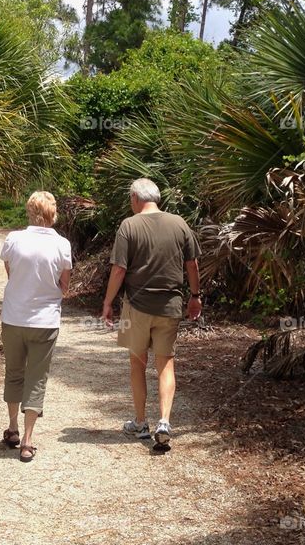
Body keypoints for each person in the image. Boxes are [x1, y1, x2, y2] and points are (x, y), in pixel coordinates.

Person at [101, 178, 201, 446]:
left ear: (135, 198)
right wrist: (195, 296)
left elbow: (119, 269)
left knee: (138, 363)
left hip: (136, 307)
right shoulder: (179, 223)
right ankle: (165, 421)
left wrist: (108, 302)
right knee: (165, 363)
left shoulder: (129, 226)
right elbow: (192, 264)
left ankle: (141, 422)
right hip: (170, 306)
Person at [0, 191, 72, 462]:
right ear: (53, 213)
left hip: (13, 317)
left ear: (29, 212)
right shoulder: (62, 245)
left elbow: (11, 274)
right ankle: (28, 441)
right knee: (37, 378)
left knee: (14, 372)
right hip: (45, 321)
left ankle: (13, 427)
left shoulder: (13, 239)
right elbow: (64, 287)